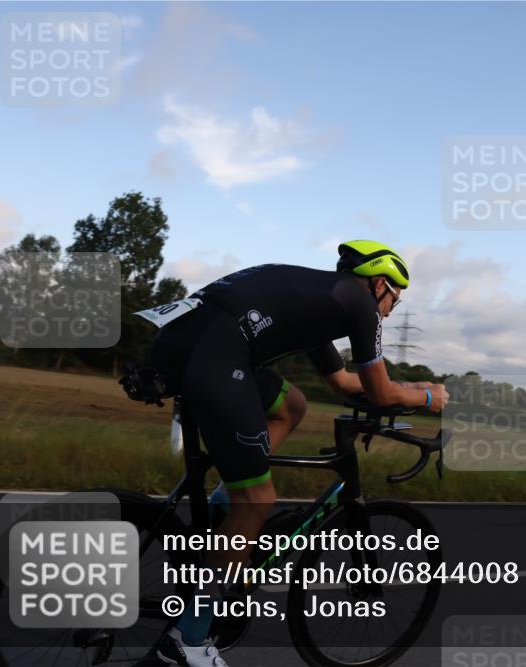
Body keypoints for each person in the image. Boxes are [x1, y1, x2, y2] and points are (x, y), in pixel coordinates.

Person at [146, 240, 449, 667]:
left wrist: (411, 388)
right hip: (214, 354)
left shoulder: (322, 302)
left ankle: (222, 506)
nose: (390, 311)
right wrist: (428, 397)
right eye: (394, 300)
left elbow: (343, 384)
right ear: (379, 283)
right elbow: (380, 394)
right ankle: (187, 641)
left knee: (292, 406)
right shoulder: (359, 303)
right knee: (258, 499)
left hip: (191, 342)